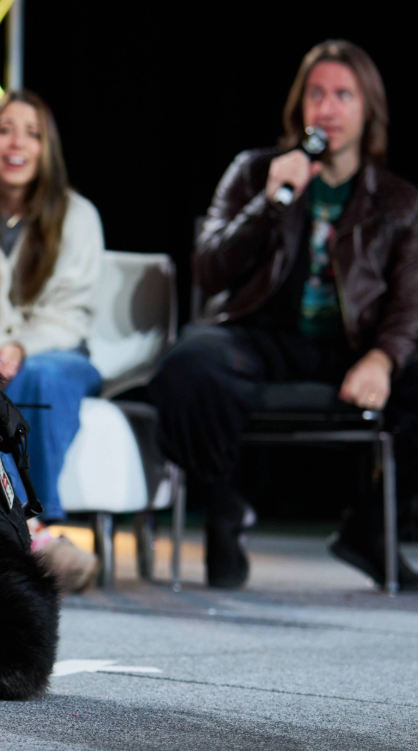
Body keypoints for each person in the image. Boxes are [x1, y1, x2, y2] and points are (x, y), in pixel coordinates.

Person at [149, 40, 418, 590]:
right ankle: (225, 508)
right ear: (300, 107)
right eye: (316, 94)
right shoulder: (254, 173)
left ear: (368, 109)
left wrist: (383, 360)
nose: (328, 108)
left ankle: (369, 528)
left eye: (344, 95)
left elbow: (410, 302)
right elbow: (209, 270)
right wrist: (271, 203)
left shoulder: (397, 200)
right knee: (187, 367)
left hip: (349, 349)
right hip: (259, 337)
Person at [0, 90, 105, 592]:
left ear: (47, 149)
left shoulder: (76, 214)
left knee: (42, 375)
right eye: (4, 130)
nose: (16, 143)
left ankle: (35, 521)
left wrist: (20, 347)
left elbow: (71, 312)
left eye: (32, 133)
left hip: (55, 352)